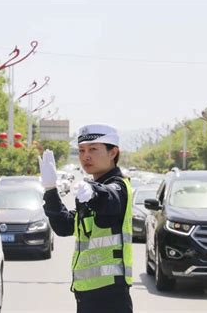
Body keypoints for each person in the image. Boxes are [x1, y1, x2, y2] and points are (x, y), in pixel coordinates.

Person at [39, 124, 133, 313]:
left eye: (93, 149)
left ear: (113, 152)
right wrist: (50, 190)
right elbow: (65, 226)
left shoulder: (118, 186)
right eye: (81, 150)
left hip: (110, 295)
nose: (85, 156)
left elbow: (109, 199)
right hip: (87, 293)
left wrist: (94, 192)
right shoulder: (89, 188)